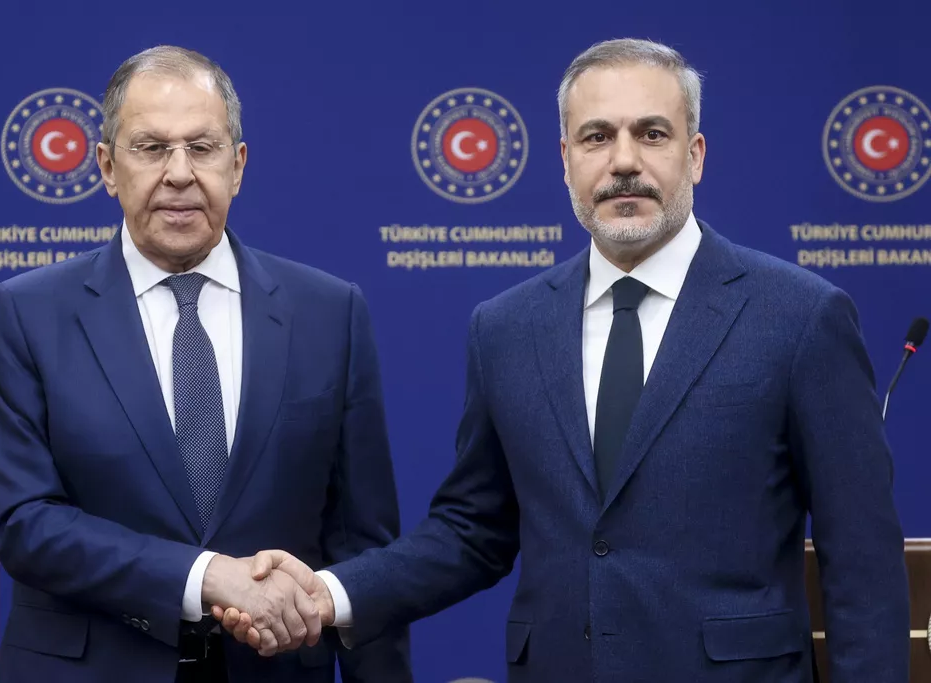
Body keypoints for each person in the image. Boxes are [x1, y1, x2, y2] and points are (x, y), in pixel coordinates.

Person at [218, 38, 911, 682]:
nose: (624, 160)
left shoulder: (799, 317)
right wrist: (329, 592)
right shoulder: (506, 327)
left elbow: (862, 560)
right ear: (565, 159)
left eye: (652, 133)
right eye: (597, 136)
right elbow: (473, 531)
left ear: (696, 154)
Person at [0, 45, 411, 683]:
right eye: (151, 148)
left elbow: (363, 546)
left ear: (238, 166)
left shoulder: (329, 312)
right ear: (107, 167)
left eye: (202, 148)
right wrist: (207, 576)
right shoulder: (27, 312)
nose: (179, 173)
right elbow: (25, 522)